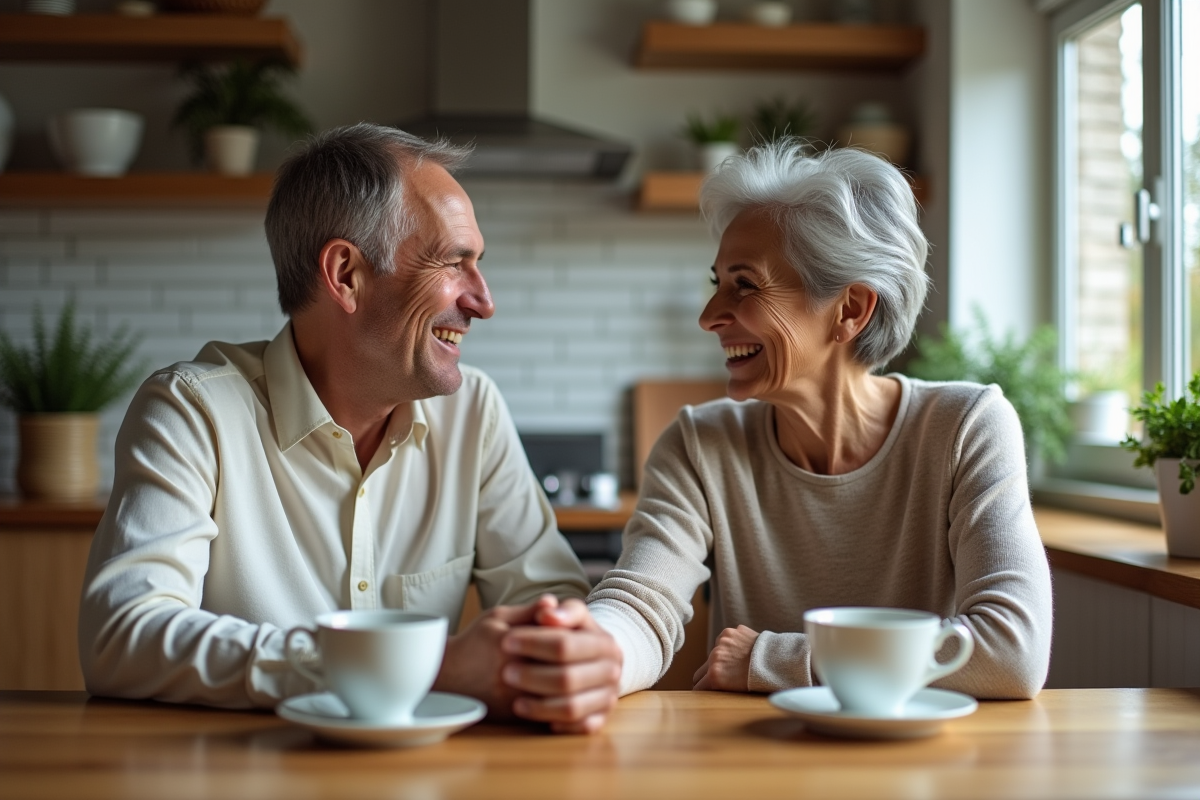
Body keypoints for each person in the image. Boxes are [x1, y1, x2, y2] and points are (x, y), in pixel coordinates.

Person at [79, 124, 621, 734]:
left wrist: (572, 651)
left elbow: (550, 598)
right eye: (452, 262)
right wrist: (420, 670)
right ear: (345, 274)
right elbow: (122, 635)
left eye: (480, 266)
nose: (483, 300)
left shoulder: (475, 413)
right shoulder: (192, 412)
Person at [587, 142, 1053, 699]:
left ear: (851, 309)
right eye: (718, 284)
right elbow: (641, 606)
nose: (710, 317)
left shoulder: (965, 427)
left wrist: (774, 658)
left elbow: (1012, 652)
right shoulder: (698, 444)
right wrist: (591, 651)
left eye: (745, 284)